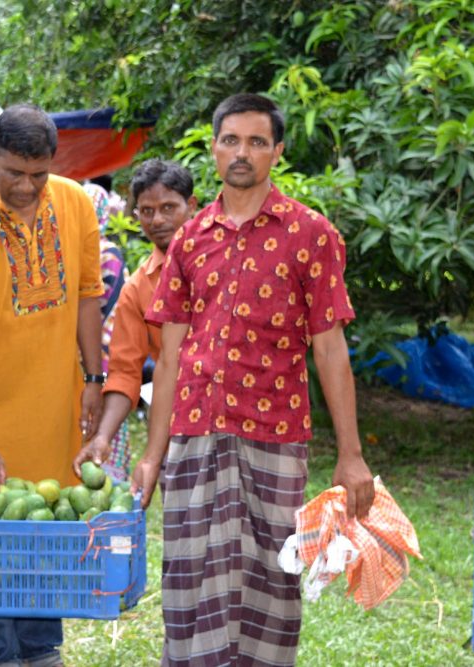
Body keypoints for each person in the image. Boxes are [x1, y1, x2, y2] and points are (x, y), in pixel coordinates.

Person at [134, 93, 376, 666]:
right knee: (189, 579)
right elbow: (168, 359)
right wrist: (152, 454)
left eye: (257, 142)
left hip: (274, 435)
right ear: (214, 148)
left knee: (271, 581)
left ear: (278, 152)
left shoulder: (312, 234)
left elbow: (329, 348)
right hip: (194, 437)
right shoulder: (189, 239)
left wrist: (352, 454)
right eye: (231, 140)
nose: (242, 153)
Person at [0, 104, 104, 667]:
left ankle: (42, 652)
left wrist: (93, 377)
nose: (27, 187)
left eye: (38, 174)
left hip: (53, 413)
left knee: (43, 536)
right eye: (13, 174)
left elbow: (86, 294)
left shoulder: (76, 203)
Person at [74, 160, 197, 478]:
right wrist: (102, 437)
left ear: (192, 206)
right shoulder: (138, 288)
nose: (157, 220)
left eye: (168, 207)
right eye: (146, 211)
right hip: (177, 431)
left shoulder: (225, 263)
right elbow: (124, 373)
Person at [83, 181, 133, 479]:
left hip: (98, 361)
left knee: (100, 430)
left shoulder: (101, 254)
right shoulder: (109, 252)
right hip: (110, 360)